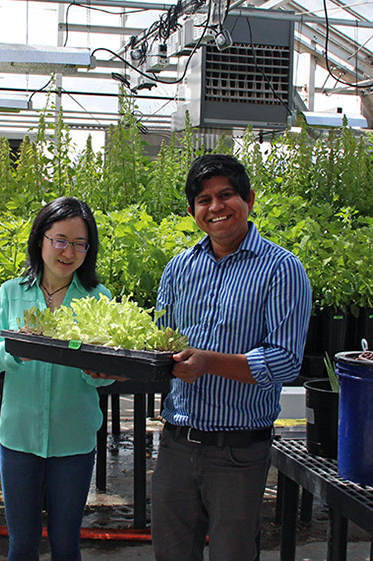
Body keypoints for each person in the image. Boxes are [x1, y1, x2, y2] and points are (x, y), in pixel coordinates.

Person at [151, 154, 312, 561]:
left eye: (226, 195)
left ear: (250, 199)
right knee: (170, 554)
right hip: (176, 443)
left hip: (238, 451)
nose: (216, 207)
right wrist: (119, 368)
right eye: (204, 200)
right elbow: (161, 346)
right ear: (192, 212)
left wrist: (209, 361)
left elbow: (284, 361)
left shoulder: (282, 269)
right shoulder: (178, 269)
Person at [0, 196, 114, 561]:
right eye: (60, 240)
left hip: (74, 441)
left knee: (66, 544)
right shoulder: (11, 293)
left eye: (80, 244)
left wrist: (98, 372)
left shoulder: (98, 297)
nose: (69, 252)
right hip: (18, 441)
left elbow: (106, 376)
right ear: (41, 239)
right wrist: (13, 351)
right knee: (22, 545)